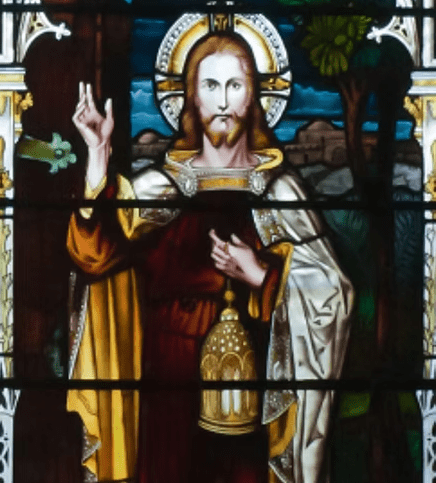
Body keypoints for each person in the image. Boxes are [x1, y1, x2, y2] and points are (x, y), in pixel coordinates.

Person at [67, 31, 354, 483]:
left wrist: (263, 277)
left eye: (235, 85)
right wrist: (98, 154)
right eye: (211, 86)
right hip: (167, 387)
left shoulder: (281, 191)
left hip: (254, 395)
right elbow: (94, 255)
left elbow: (334, 294)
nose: (223, 101)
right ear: (192, 98)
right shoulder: (158, 187)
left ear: (253, 96)